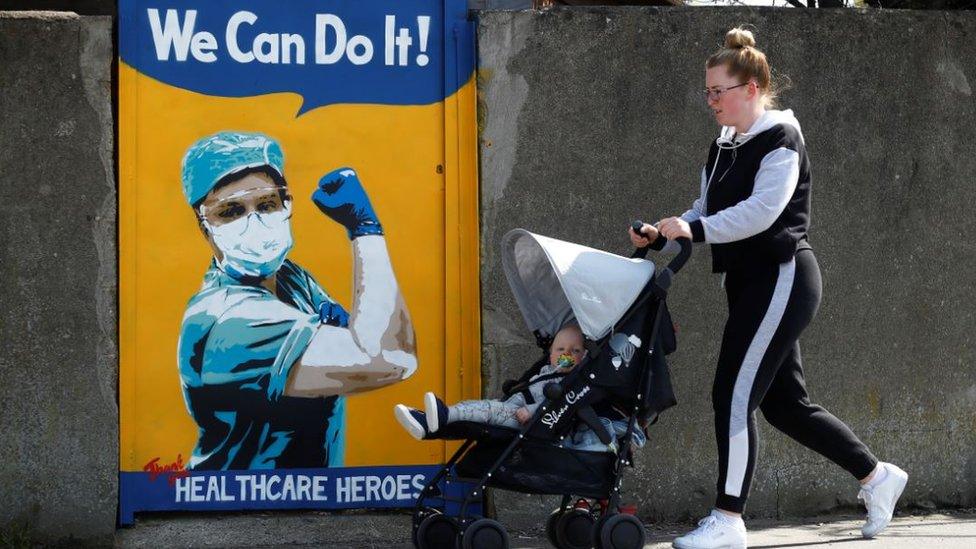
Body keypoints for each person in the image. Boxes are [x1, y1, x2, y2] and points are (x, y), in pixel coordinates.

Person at [628, 28, 907, 549]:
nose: (711, 100)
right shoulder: (721, 148)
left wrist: (697, 229)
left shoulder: (782, 140)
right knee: (784, 405)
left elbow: (761, 213)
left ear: (752, 87)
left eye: (720, 90)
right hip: (748, 282)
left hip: (783, 275)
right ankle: (876, 476)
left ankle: (729, 520)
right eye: (707, 91)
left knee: (732, 395)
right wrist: (664, 233)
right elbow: (704, 212)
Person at [177, 131, 417, 470]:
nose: (254, 222)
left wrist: (353, 337)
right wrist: (365, 229)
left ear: (285, 206)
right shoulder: (227, 320)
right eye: (231, 211)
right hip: (245, 509)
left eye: (266, 205)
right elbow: (391, 357)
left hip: (304, 496)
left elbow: (376, 337)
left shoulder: (291, 279)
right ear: (205, 226)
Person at [393, 322, 586, 439]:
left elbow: (559, 404)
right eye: (561, 349)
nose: (567, 353)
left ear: (584, 357)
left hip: (532, 422)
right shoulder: (545, 371)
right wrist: (516, 395)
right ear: (551, 354)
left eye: (575, 351)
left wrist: (531, 411)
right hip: (513, 409)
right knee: (477, 405)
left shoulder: (570, 383)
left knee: (487, 410)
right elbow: (527, 392)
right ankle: (427, 424)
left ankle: (444, 415)